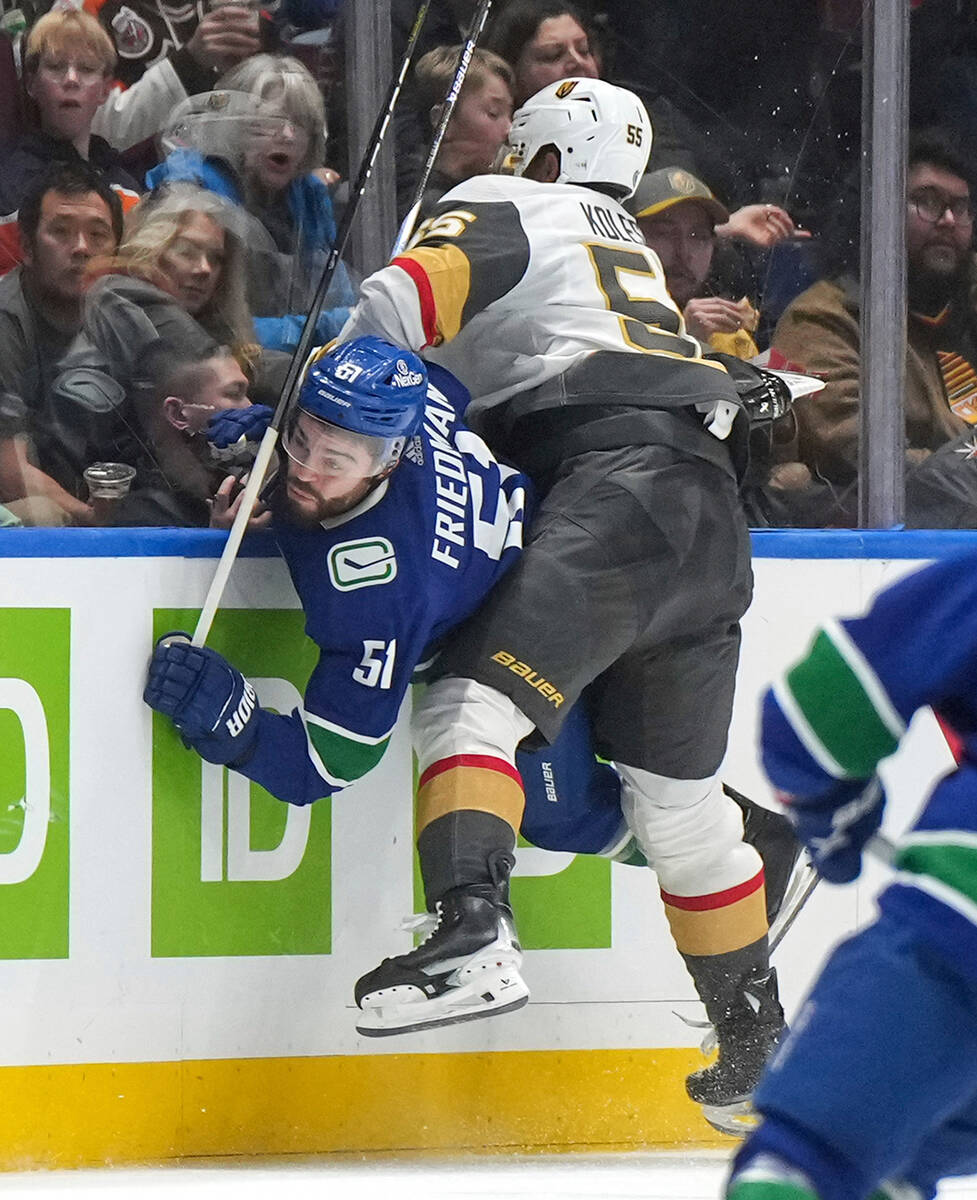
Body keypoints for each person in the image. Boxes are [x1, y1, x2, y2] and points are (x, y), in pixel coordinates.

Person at [338, 77, 784, 1130]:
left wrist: (300, 411)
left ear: (535, 155)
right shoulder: (619, 242)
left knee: (466, 711)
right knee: (675, 810)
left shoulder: (508, 202)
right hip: (707, 512)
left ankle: (471, 931)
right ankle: (757, 1041)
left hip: (609, 485)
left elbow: (393, 309)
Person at [726, 548, 977, 1200]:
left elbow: (822, 707)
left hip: (958, 927)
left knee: (802, 1167)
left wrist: (834, 813)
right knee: (904, 1166)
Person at [770, 128, 977, 526]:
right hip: (892, 540)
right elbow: (859, 455)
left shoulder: (966, 305)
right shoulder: (822, 319)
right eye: (928, 201)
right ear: (878, 211)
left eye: (963, 206)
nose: (949, 220)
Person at [147, 54, 355, 352]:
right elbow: (206, 327)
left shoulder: (308, 196)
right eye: (271, 120)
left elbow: (339, 297)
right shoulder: (190, 190)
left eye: (300, 124)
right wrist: (327, 327)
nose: (287, 135)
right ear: (231, 124)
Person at [81, 181, 287, 407]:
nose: (204, 269)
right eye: (187, 252)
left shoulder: (209, 328)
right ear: (151, 249)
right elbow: (204, 366)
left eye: (216, 258)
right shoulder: (120, 299)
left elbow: (255, 365)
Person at [0, 161, 122, 525]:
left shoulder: (125, 313)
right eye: (62, 232)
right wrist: (97, 521)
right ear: (27, 247)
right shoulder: (6, 320)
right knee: (42, 515)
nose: (82, 248)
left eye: (98, 235)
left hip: (91, 485)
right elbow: (9, 474)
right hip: (21, 508)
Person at [0, 8, 140, 275]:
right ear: (31, 84)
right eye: (55, 67)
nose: (71, 79)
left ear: (104, 89)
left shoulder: (127, 184)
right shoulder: (8, 188)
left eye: (87, 69)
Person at [112, 343, 272, 527]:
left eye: (247, 393)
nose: (249, 407)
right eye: (234, 394)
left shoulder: (234, 476)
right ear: (178, 414)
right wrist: (217, 539)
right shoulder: (143, 515)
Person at [83, 0, 262, 152]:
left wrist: (248, 72)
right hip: (141, 183)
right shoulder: (90, 10)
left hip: (241, 168)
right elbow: (100, 130)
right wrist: (189, 62)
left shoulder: (248, 7)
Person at [397, 44, 514, 222]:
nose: (509, 129)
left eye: (509, 114)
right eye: (493, 113)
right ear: (444, 120)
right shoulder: (422, 208)